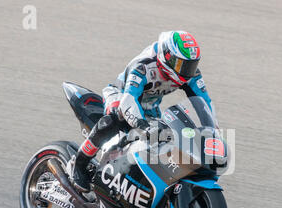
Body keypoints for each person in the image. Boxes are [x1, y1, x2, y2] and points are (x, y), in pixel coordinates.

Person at [72, 30, 217, 192]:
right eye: (181, 65)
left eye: (191, 65)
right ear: (166, 56)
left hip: (150, 106)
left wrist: (211, 131)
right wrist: (143, 126)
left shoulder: (191, 75)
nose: (186, 71)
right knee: (116, 118)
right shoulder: (144, 66)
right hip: (121, 96)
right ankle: (80, 164)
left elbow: (204, 103)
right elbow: (128, 102)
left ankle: (139, 183)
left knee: (166, 138)